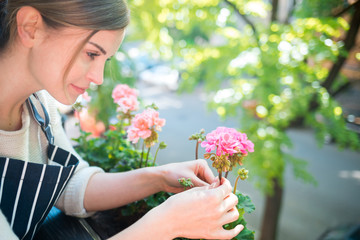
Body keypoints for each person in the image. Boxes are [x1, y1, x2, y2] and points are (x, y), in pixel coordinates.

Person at [0, 0, 244, 239]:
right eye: (91, 53)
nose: (98, 77)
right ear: (31, 26)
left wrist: (159, 177)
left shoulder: (38, 105)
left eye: (105, 60)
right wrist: (167, 224)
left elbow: (70, 185)